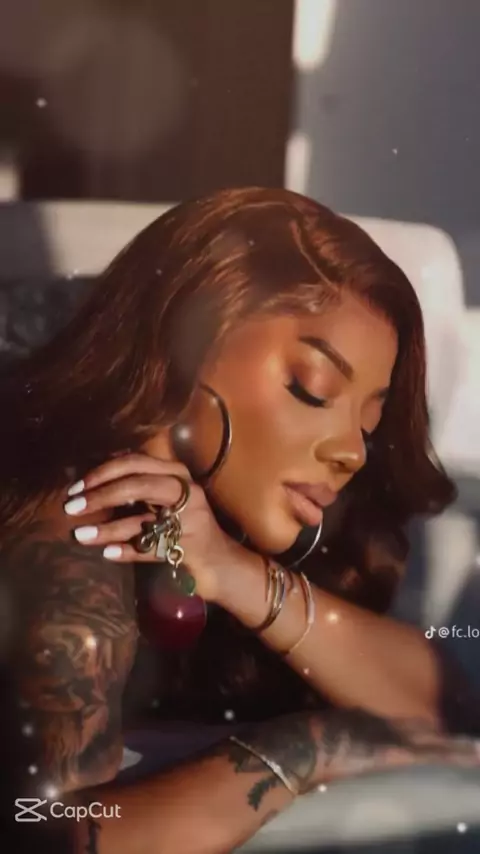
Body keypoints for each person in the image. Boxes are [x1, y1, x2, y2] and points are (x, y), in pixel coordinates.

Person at [1, 187, 479, 853]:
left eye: (368, 424)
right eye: (312, 389)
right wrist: (306, 749)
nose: (350, 451)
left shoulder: (216, 531)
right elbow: (42, 834)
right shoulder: (77, 531)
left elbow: (442, 714)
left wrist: (234, 574)